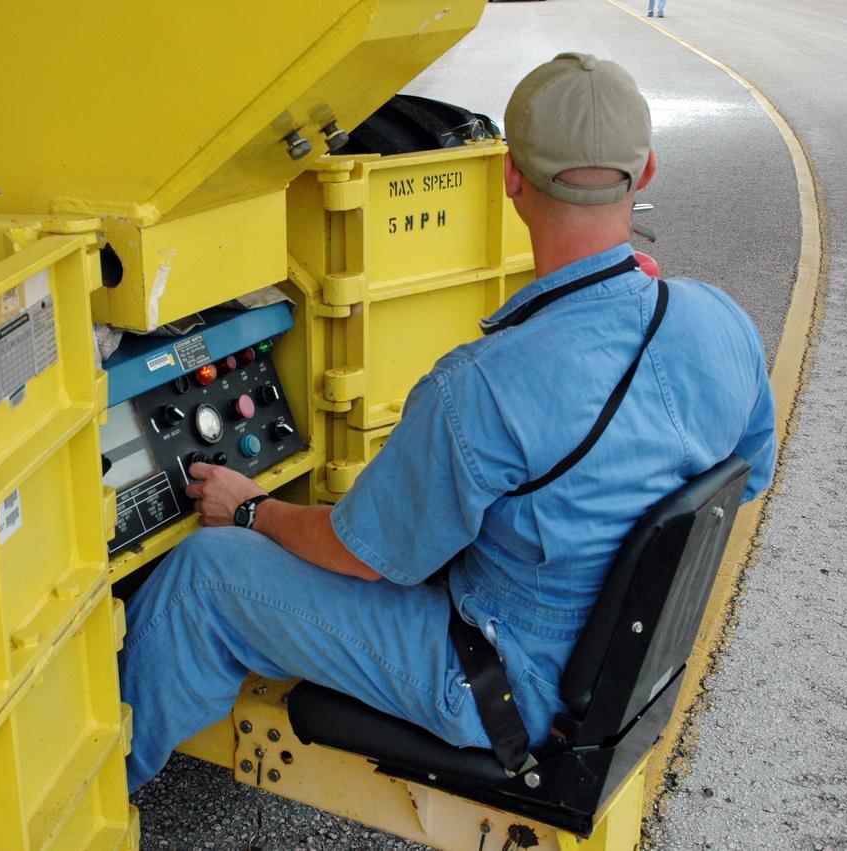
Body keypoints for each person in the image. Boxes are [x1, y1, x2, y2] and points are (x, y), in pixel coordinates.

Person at [118, 52, 775, 793]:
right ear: (646, 171)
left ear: (512, 180)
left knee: (207, 575)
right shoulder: (724, 324)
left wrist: (252, 510)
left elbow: (358, 554)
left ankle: (101, 803)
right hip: (611, 673)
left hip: (501, 689)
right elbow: (748, 478)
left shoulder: (484, 386)